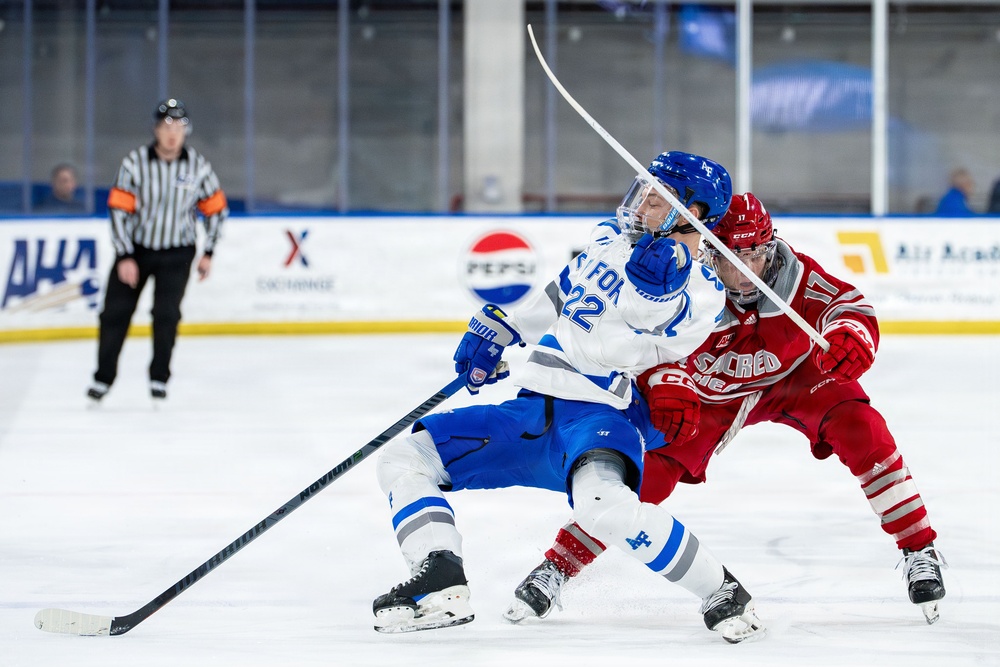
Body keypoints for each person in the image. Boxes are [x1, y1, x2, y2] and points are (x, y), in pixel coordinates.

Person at [370, 152, 765, 644]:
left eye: (656, 197)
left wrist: (655, 291)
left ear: (694, 215)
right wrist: (504, 329)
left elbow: (655, 330)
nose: (640, 203)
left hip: (598, 416)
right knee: (407, 457)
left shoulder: (702, 287)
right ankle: (439, 581)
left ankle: (721, 591)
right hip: (532, 410)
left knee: (605, 507)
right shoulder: (610, 240)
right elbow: (561, 297)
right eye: (642, 190)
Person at [505, 192, 947, 627]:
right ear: (708, 251)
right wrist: (664, 380)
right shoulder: (684, 290)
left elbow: (849, 306)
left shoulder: (795, 276)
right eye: (733, 257)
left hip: (794, 379)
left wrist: (854, 335)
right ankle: (558, 567)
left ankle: (919, 549)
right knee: (646, 473)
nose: (748, 270)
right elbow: (639, 347)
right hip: (709, 397)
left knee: (861, 427)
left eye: (757, 254)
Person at [87, 99, 228, 402]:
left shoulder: (198, 167)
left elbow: (215, 209)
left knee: (166, 314)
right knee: (115, 314)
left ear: (186, 131)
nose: (172, 133)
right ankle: (104, 378)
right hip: (137, 250)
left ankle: (159, 378)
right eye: (166, 126)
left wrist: (209, 251)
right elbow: (118, 211)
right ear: (156, 129)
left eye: (178, 126)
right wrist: (125, 254)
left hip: (178, 252)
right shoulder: (134, 163)